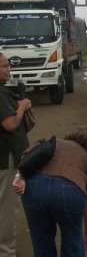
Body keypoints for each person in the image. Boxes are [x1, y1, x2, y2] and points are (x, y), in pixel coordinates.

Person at [12, 132, 87, 256]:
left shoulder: (49, 142)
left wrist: (19, 176)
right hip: (71, 189)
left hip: (35, 187)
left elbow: (26, 155)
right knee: (72, 238)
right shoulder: (86, 156)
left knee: (41, 239)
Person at [0, 53, 32, 257]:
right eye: (4, 66)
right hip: (6, 157)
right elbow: (10, 124)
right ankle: (6, 251)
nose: (8, 69)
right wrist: (21, 107)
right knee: (7, 208)